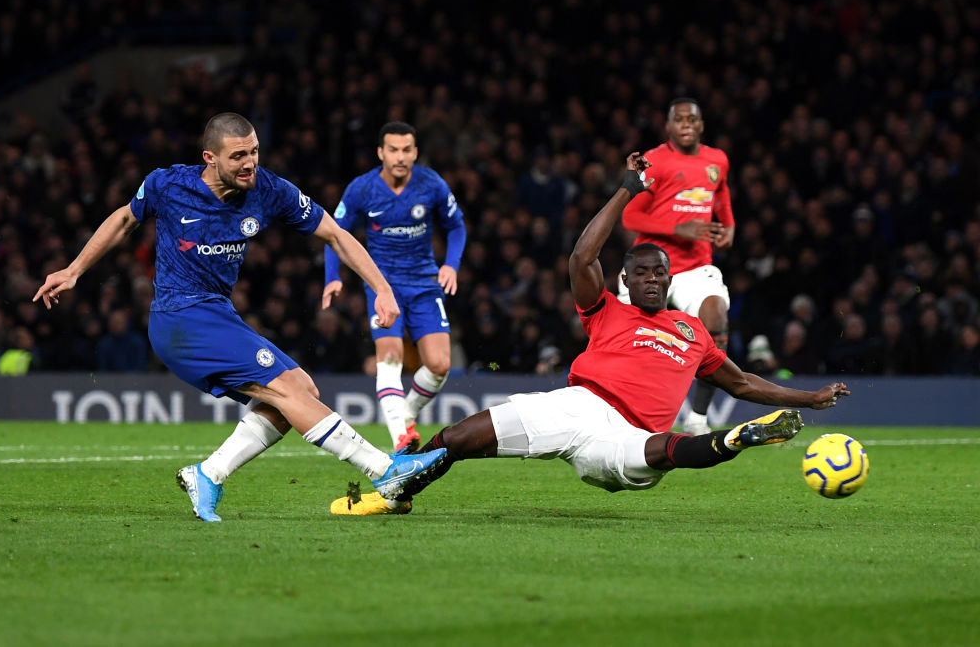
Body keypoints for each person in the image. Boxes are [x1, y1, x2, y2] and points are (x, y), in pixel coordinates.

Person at [332, 152, 849, 515]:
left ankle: (735, 439)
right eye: (643, 272)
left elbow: (741, 383)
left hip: (630, 434)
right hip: (576, 405)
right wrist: (627, 189)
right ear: (626, 279)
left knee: (659, 451)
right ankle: (394, 492)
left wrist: (810, 397)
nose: (653, 279)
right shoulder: (606, 310)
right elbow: (582, 256)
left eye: (660, 274)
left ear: (670, 281)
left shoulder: (692, 331)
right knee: (459, 436)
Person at [33, 112, 446, 522]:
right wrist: (73, 270)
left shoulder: (268, 189)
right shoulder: (168, 183)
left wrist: (383, 288)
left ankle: (208, 474)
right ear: (209, 158)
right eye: (238, 156)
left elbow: (336, 234)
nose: (249, 163)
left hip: (216, 313)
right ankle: (385, 471)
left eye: (254, 152)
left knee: (301, 389)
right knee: (288, 389)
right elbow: (124, 218)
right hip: (180, 316)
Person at [322, 121, 466, 451]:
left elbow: (457, 228)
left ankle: (406, 412)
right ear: (380, 153)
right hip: (382, 284)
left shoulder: (431, 184)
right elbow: (334, 234)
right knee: (390, 355)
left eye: (406, 150)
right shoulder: (362, 189)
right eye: (393, 150)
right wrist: (332, 276)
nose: (399, 157)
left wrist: (451, 265)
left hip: (424, 283)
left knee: (440, 365)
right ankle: (401, 436)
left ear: (415, 153)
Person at [619, 98, 735, 435]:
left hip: (695, 266)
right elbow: (630, 216)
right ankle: (623, 415)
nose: (686, 124)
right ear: (668, 126)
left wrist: (728, 228)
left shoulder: (717, 160)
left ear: (701, 125)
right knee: (628, 345)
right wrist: (678, 228)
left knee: (715, 317)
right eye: (679, 119)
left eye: (692, 119)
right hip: (650, 266)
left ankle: (697, 418)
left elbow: (722, 198)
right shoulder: (654, 161)